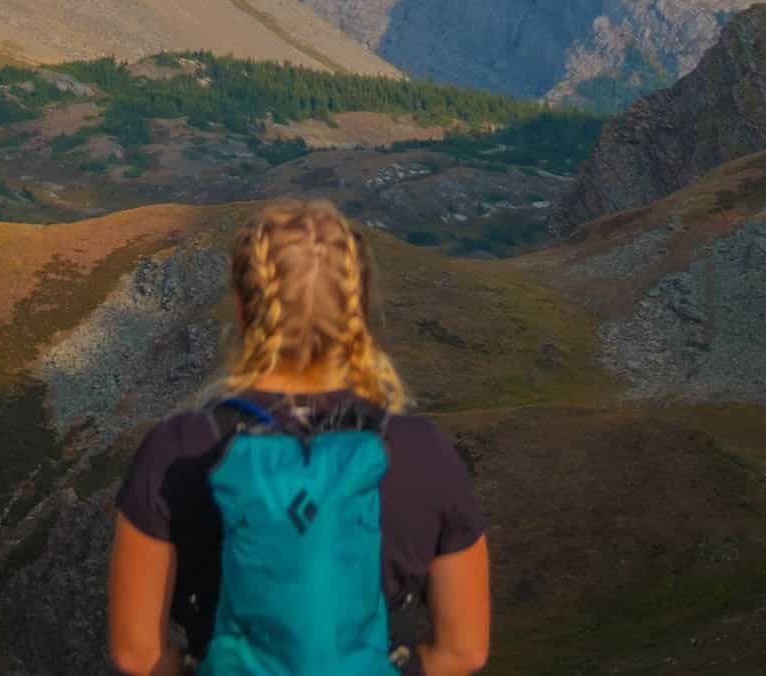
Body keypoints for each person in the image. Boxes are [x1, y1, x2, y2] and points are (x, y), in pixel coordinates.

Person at [108, 197, 491, 676]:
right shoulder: (421, 452)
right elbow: (464, 651)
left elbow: (136, 653)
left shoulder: (178, 449)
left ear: (247, 312)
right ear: (358, 313)